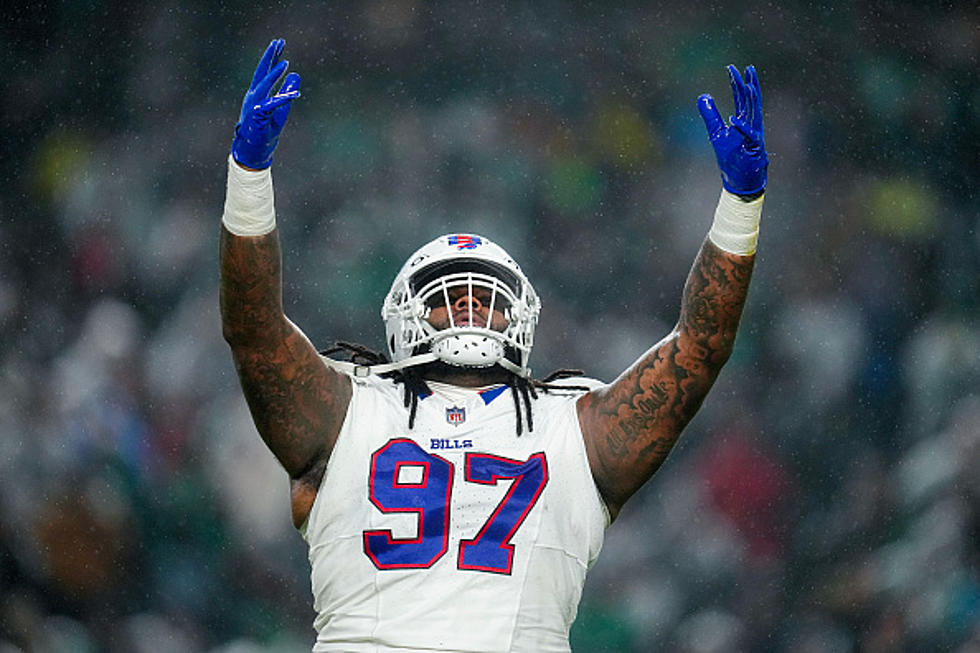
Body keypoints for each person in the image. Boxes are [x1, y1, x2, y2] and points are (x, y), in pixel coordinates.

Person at [219, 38, 768, 653]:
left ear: (521, 319)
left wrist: (739, 207)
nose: (472, 306)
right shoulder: (349, 407)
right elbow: (255, 331)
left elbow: (700, 345)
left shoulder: (572, 424)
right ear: (404, 315)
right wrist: (249, 178)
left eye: (489, 298)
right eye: (447, 295)